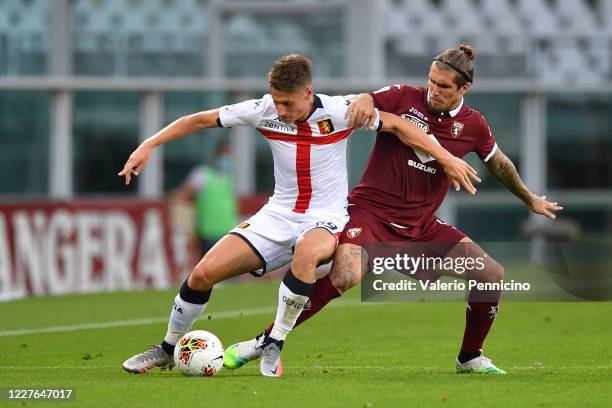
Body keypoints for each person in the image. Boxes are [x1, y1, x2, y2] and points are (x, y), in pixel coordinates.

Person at [118, 54, 479, 377]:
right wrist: (148, 144)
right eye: (276, 101)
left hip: (326, 216)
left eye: (287, 102)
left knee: (308, 254)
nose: (281, 110)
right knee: (203, 273)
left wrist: (446, 158)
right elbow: (199, 120)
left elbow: (401, 126)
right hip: (277, 216)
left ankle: (275, 343)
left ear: (308, 93)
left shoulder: (340, 111)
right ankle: (167, 349)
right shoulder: (264, 110)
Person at [224, 45, 563, 375]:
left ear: (464, 88)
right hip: (368, 214)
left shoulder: (474, 125)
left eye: (444, 86)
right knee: (345, 275)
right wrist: (361, 101)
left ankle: (470, 357)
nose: (434, 90)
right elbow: (369, 99)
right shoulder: (404, 97)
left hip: (421, 227)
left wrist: (529, 198)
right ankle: (266, 341)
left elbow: (498, 163)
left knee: (491, 275)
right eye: (431, 81)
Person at [171, 141, 238, 259]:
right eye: (226, 154)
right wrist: (187, 226)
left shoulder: (228, 179)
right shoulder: (202, 175)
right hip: (208, 234)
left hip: (228, 233)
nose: (228, 159)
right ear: (217, 156)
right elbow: (182, 196)